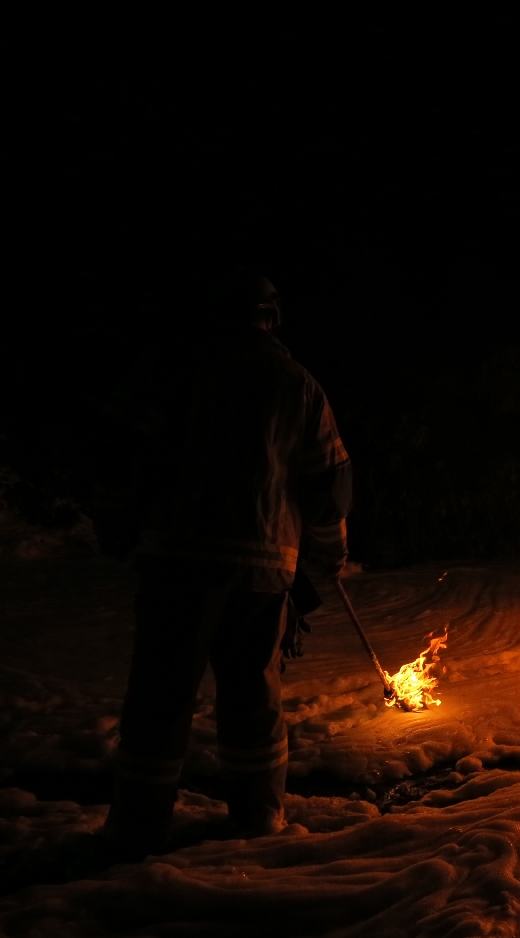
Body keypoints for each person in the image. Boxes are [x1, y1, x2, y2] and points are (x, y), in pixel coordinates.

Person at [93, 268, 351, 855]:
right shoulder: (298, 385)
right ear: (272, 318)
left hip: (176, 564)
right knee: (252, 697)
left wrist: (113, 521)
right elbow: (328, 484)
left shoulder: (168, 370)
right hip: (262, 572)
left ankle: (137, 826)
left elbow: (117, 451)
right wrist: (331, 553)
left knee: (161, 695)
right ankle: (259, 819)